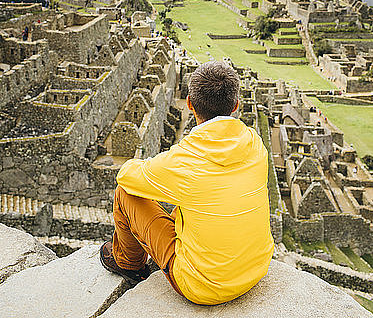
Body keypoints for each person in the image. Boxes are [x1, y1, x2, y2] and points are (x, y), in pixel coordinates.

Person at [100, 61, 274, 305]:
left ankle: (128, 264)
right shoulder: (254, 143)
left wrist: (158, 162)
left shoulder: (186, 159)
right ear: (235, 106)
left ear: (190, 103)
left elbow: (127, 177)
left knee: (124, 194)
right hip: (256, 269)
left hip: (203, 286)